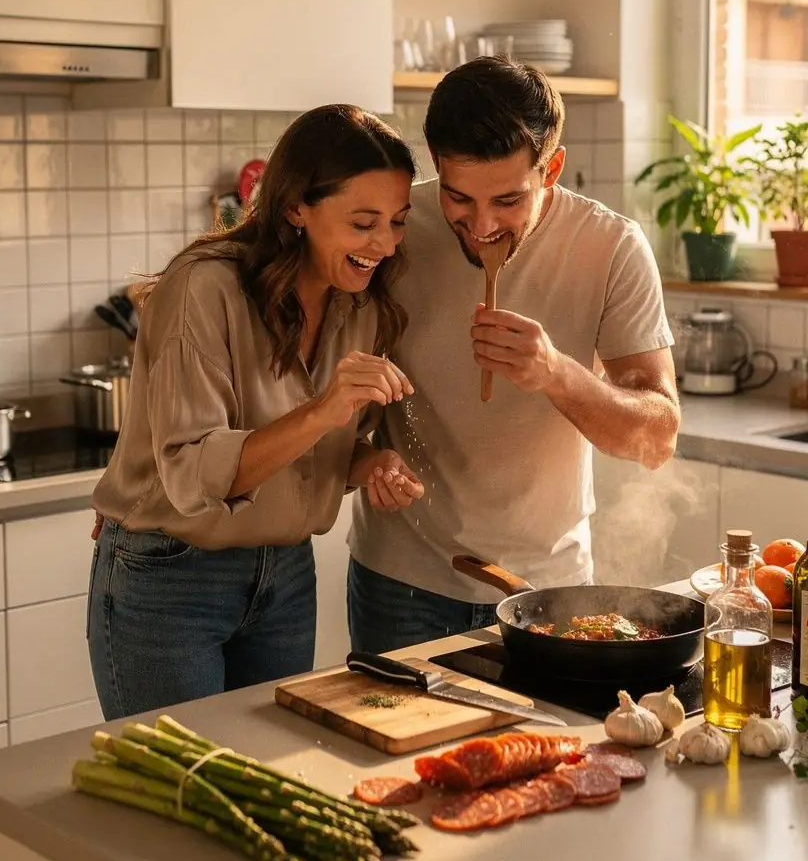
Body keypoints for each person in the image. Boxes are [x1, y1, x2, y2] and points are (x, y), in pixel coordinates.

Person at [88, 104, 424, 717]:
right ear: (297, 208)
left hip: (288, 576)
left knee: (268, 767)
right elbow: (194, 475)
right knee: (179, 793)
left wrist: (370, 463)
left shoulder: (363, 305)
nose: (384, 244)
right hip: (173, 574)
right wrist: (323, 411)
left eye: (397, 222)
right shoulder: (203, 288)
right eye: (364, 222)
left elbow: (325, 451)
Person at [348, 58, 680, 653]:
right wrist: (365, 457)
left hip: (549, 585)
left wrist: (558, 374)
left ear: (551, 168)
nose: (481, 225)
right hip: (401, 583)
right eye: (458, 198)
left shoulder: (611, 247)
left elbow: (656, 440)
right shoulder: (394, 232)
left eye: (507, 200)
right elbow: (331, 380)